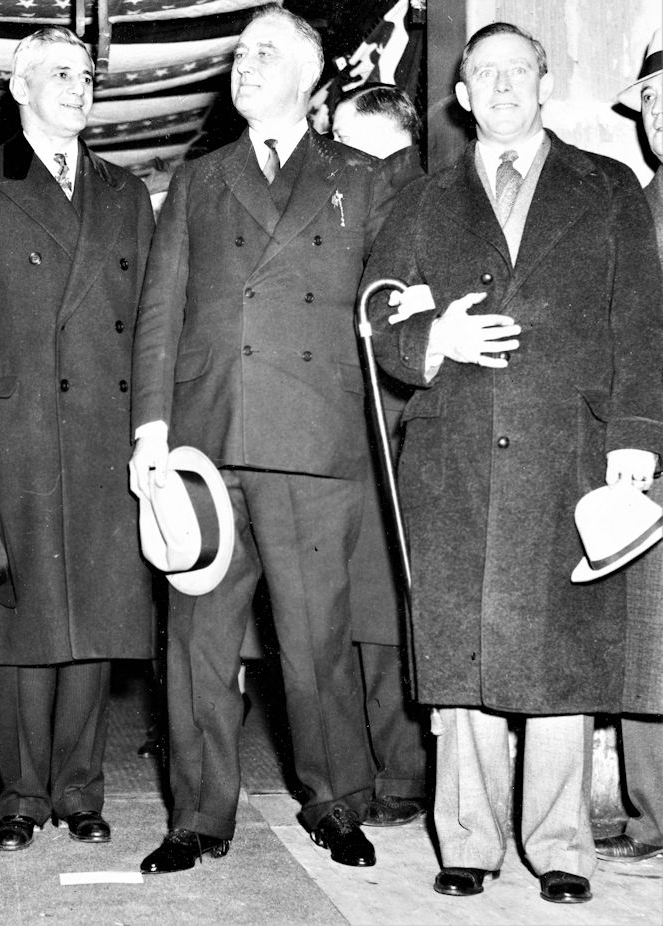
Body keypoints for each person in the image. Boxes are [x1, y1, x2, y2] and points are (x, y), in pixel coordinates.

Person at [361, 22, 663, 905]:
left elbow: (641, 327)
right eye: (481, 72)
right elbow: (377, 316)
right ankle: (468, 841)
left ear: (545, 84)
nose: (499, 86)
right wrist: (434, 339)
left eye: (516, 70)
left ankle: (561, 846)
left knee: (560, 657)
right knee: (463, 659)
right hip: (453, 454)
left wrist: (636, 442)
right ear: (459, 96)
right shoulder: (420, 201)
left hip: (570, 451)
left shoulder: (607, 189)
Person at [130, 5, 396, 873]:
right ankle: (197, 817)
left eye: (267, 52)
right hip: (207, 446)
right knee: (197, 642)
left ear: (312, 78)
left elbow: (389, 306)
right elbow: (159, 313)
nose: (246, 64)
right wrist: (150, 433)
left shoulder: (364, 176)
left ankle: (333, 802)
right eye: (241, 51)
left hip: (317, 438)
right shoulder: (199, 179)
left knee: (316, 640)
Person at [0, 26, 155, 852]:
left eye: (85, 74)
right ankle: (20, 793)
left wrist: (154, 429)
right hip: (7, 432)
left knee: (97, 617)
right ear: (17, 89)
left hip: (105, 432)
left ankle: (81, 789)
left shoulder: (127, 193)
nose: (76, 85)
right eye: (57, 72)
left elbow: (152, 328)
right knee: (16, 620)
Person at [330, 82, 427, 828]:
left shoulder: (402, 199)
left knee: (384, 610)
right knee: (375, 609)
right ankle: (386, 773)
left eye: (339, 139)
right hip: (372, 425)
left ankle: (398, 777)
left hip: (387, 427)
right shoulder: (396, 193)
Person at [601, 27, 663, 865]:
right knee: (649, 644)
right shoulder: (629, 209)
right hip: (649, 458)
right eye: (652, 97)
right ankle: (654, 818)